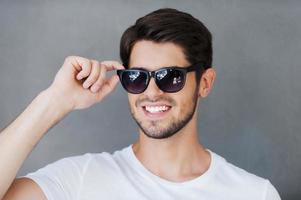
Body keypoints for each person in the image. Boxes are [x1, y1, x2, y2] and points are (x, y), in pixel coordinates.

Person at [0, 8, 281, 200]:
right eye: (137, 77)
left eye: (170, 77)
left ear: (205, 83)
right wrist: (53, 101)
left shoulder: (253, 194)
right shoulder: (82, 179)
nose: (152, 91)